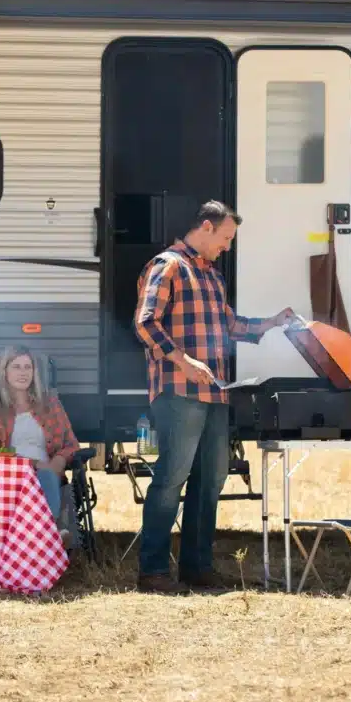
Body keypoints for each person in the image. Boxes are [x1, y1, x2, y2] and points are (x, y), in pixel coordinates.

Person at [133, 200, 297, 594]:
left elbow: (230, 325)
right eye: (225, 238)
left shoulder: (211, 276)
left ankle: (196, 568)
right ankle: (152, 571)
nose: (227, 246)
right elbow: (145, 323)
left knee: (211, 480)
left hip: (216, 392)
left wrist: (272, 324)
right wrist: (183, 360)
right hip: (178, 390)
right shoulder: (168, 265)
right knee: (173, 477)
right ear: (205, 227)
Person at [0, 345, 81, 546]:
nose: (23, 373)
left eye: (28, 367)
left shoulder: (50, 404)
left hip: (48, 472)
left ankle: (42, 540)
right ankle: (51, 537)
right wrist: (36, 465)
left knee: (47, 478)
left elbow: (72, 444)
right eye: (16, 367)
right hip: (9, 475)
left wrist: (58, 461)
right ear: (3, 372)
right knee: (43, 476)